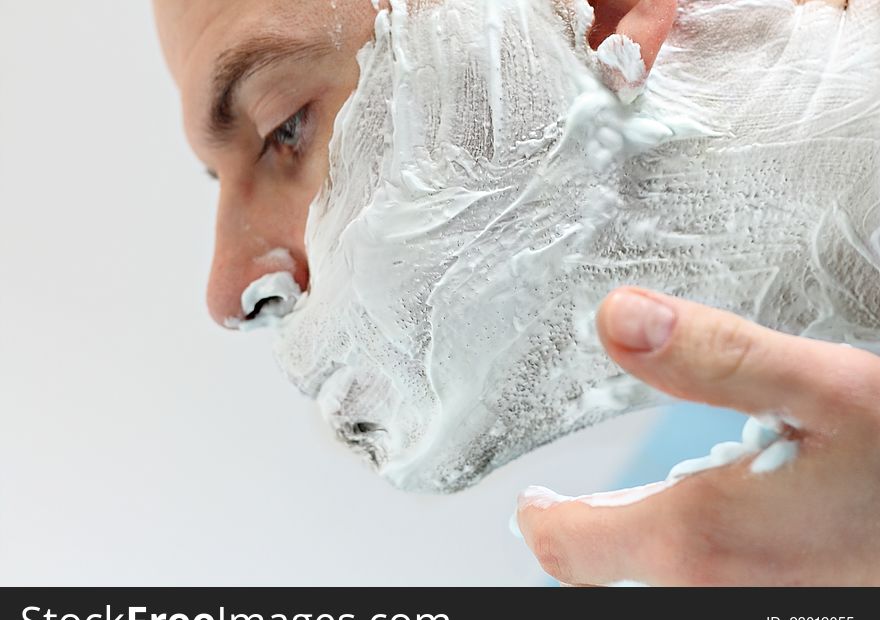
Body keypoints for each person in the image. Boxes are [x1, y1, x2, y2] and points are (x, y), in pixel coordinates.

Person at [154, 0, 880, 585]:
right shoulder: (724, 547)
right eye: (219, 182)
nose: (229, 292)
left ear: (598, 11)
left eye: (285, 125)